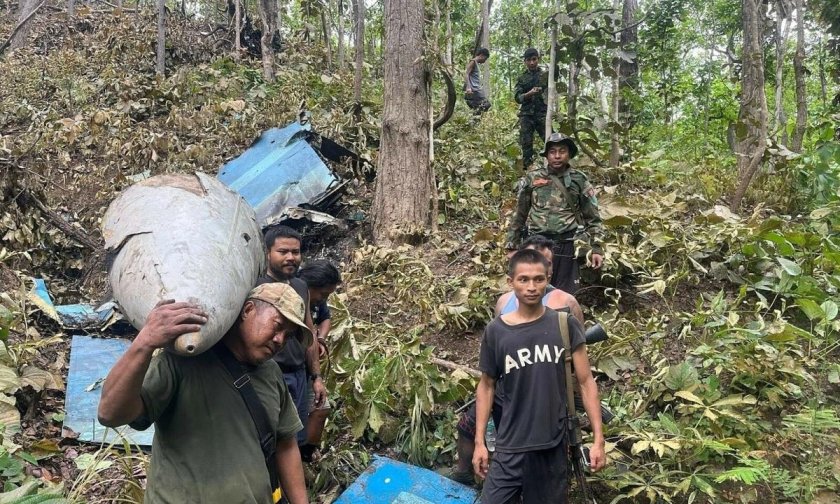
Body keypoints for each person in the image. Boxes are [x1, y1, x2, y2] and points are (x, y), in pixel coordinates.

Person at [97, 283, 311, 504]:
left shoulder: (272, 373)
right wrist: (145, 342)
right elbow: (110, 413)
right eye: (277, 326)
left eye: (288, 336)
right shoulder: (182, 362)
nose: (280, 340)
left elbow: (286, 445)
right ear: (247, 310)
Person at [449, 235, 584, 486]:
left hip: (545, 392)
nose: (535, 274)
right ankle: (466, 475)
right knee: (470, 426)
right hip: (506, 387)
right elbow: (496, 347)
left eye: (546, 263)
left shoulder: (565, 302)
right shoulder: (505, 301)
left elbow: (577, 355)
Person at [472, 249, 606, 503]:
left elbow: (586, 382)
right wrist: (480, 441)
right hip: (509, 446)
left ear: (548, 279)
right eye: (523, 279)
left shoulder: (564, 324)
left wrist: (598, 439)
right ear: (511, 282)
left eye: (538, 279)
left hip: (551, 447)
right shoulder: (496, 331)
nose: (532, 287)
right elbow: (486, 386)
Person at [505, 133, 604, 294]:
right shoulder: (533, 178)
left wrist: (597, 248)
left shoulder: (579, 179)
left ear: (569, 154)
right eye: (552, 152)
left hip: (567, 244)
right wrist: (512, 245)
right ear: (547, 155)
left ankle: (562, 318)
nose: (557, 156)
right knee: (534, 288)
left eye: (562, 151)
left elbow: (593, 217)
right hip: (537, 244)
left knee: (564, 292)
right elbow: (520, 214)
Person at [257, 225, 327, 446]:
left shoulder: (300, 286)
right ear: (268, 253)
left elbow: (309, 334)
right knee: (270, 435)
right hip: (268, 375)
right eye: (283, 252)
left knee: (293, 436)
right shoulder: (257, 287)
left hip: (298, 374)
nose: (291, 257)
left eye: (295, 252)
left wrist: (316, 377)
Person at [295, 259, 342, 459]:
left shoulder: (316, 301)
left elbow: (325, 319)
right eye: (323, 294)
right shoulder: (294, 296)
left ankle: (305, 454)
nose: (324, 299)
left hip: (307, 367)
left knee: (321, 408)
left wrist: (320, 339)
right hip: (292, 368)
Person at [514, 48, 548, 168]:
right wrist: (529, 94)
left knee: (551, 141)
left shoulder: (545, 76)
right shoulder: (522, 78)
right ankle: (528, 170)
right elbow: (517, 98)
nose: (532, 63)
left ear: (538, 59)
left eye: (534, 59)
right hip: (526, 115)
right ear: (525, 61)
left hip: (542, 114)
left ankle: (554, 167)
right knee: (526, 145)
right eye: (529, 60)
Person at [465, 47, 491, 115]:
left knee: (480, 106)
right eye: (485, 59)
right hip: (474, 90)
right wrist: (468, 87)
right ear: (481, 55)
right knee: (487, 104)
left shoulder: (476, 64)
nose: (484, 61)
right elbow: (467, 74)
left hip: (477, 89)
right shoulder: (473, 61)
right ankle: (471, 104)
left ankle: (474, 113)